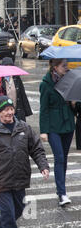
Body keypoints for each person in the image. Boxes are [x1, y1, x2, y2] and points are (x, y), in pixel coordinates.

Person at [0, 96, 50, 228]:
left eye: (11, 109)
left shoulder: (24, 127)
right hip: (1, 181)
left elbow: (36, 148)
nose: (10, 112)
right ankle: (5, 224)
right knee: (8, 214)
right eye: (6, 109)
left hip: (20, 178)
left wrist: (43, 166)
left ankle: (1, 224)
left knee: (19, 209)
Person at [39, 59, 76, 206]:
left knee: (64, 159)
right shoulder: (46, 84)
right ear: (55, 67)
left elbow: (76, 108)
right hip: (53, 126)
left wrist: (74, 103)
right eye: (63, 66)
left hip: (67, 125)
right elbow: (44, 109)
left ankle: (61, 189)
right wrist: (44, 131)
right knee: (59, 157)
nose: (66, 68)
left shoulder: (69, 81)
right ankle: (62, 193)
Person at [1, 57, 32, 122]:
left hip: (18, 112)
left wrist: (27, 111)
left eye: (10, 66)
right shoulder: (0, 80)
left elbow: (22, 94)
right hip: (6, 113)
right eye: (6, 66)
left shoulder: (16, 78)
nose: (8, 68)